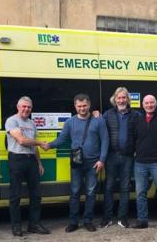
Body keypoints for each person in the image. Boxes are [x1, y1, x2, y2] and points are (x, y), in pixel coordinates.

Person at [44, 94, 109, 233]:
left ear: (89, 105)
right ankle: (73, 222)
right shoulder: (70, 122)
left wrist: (102, 160)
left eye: (84, 105)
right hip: (76, 161)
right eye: (79, 106)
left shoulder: (99, 121)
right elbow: (62, 139)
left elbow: (105, 141)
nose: (82, 108)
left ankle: (88, 221)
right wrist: (49, 145)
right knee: (74, 192)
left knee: (91, 193)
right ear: (75, 106)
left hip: (93, 163)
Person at [5, 96, 50, 237]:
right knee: (15, 195)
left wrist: (39, 162)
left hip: (31, 160)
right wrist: (41, 143)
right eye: (23, 106)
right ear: (18, 107)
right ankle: (16, 226)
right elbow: (22, 140)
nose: (26, 109)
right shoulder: (12, 121)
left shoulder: (31, 123)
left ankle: (34, 224)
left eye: (29, 107)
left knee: (36, 195)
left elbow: (33, 147)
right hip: (17, 158)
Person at [100, 87, 141, 229]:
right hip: (111, 156)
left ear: (128, 99)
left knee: (125, 188)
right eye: (119, 98)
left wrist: (137, 150)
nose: (121, 100)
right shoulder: (107, 114)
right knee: (109, 187)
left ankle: (123, 218)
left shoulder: (136, 115)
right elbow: (100, 130)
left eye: (124, 97)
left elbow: (140, 136)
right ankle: (107, 218)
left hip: (128, 157)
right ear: (114, 99)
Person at [132, 95, 157, 231]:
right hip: (140, 163)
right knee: (140, 193)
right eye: (147, 103)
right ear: (143, 105)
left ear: (156, 104)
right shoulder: (137, 120)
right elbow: (134, 139)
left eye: (152, 103)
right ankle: (142, 220)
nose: (149, 105)